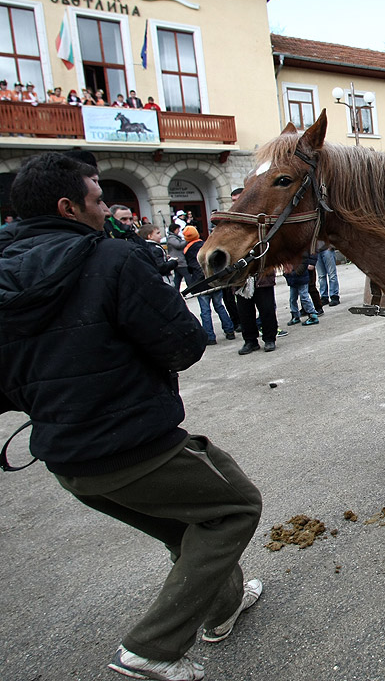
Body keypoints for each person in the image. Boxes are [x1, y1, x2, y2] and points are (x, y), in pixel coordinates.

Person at [0, 152, 263, 681]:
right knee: (236, 506)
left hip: (66, 459)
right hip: (134, 445)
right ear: (68, 206)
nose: (106, 209)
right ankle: (152, 649)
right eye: (98, 199)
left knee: (183, 528)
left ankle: (222, 605)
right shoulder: (112, 260)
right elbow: (185, 343)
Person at [182, 225, 235, 345]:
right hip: (212, 279)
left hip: (199, 282)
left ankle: (210, 337)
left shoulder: (187, 250)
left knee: (205, 311)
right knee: (219, 306)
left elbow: (190, 268)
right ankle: (229, 331)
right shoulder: (206, 245)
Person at [285, 254, 320, 326]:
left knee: (304, 297)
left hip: (301, 278)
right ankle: (295, 315)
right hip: (293, 280)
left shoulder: (301, 253)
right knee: (292, 298)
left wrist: (292, 273)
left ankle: (312, 314)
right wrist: (286, 273)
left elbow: (303, 266)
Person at [165, 222, 189, 291]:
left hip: (178, 260)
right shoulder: (171, 238)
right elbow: (178, 245)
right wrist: (186, 240)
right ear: (175, 230)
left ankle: (175, 290)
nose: (179, 231)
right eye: (178, 229)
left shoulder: (175, 237)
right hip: (179, 260)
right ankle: (192, 288)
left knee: (178, 277)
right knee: (187, 275)